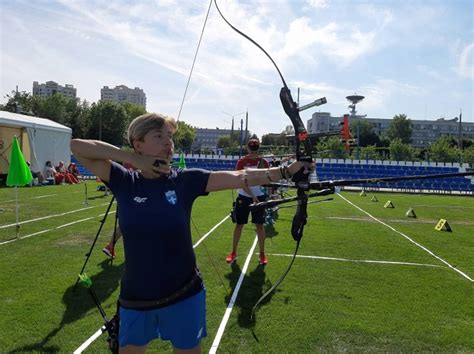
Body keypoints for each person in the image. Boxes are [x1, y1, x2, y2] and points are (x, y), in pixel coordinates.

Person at [70, 112, 309, 353]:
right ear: (138, 144)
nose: (168, 142)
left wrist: (286, 171)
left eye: (170, 137)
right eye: (159, 136)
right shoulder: (123, 180)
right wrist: (134, 160)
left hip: (184, 295)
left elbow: (240, 176)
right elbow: (77, 146)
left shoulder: (185, 180)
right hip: (135, 298)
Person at [226, 138, 270, 266]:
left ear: (248, 148)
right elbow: (241, 181)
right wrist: (253, 196)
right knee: (240, 224)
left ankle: (262, 254)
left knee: (259, 225)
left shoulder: (263, 162)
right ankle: (233, 252)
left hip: (258, 197)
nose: (253, 150)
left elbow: (265, 181)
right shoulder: (242, 162)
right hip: (245, 197)